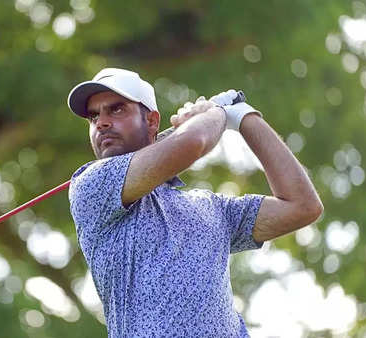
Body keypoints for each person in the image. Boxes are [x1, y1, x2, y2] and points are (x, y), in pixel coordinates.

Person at [66, 68, 323, 337]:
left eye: (116, 110)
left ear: (152, 122)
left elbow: (303, 206)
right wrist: (217, 113)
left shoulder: (211, 208)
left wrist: (245, 116)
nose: (102, 122)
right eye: (94, 116)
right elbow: (193, 142)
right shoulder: (91, 185)